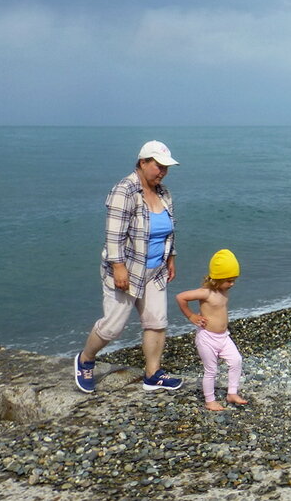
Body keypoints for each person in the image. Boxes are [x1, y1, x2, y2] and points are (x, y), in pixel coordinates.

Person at [74, 140, 184, 393]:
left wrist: (171, 258)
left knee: (157, 321)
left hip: (155, 270)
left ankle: (153, 374)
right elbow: (114, 235)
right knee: (112, 327)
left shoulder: (163, 193)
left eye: (166, 167)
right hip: (126, 269)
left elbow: (169, 230)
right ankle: (85, 359)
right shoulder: (124, 190)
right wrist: (118, 268)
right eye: (158, 166)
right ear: (143, 163)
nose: (163, 172)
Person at [175, 249, 248, 411]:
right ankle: (210, 401)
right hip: (207, 338)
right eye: (229, 280)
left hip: (224, 337)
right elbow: (181, 297)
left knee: (236, 360)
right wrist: (191, 316)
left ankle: (232, 393)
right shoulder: (205, 293)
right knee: (211, 370)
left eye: (234, 280)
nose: (232, 284)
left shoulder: (224, 291)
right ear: (217, 279)